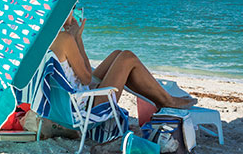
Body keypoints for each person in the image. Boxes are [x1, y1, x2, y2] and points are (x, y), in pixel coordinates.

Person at [49, 7, 197, 109]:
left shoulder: (45, 39)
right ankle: (167, 100)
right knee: (127, 57)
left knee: (116, 54)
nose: (74, 12)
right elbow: (87, 78)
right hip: (82, 106)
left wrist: (76, 38)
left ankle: (159, 98)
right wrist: (78, 39)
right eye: (72, 8)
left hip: (62, 102)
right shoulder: (65, 39)